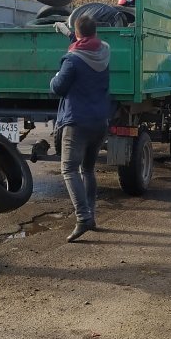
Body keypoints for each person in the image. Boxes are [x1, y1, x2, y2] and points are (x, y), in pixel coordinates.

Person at [51, 16, 111, 242]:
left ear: (77, 34)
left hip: (77, 123)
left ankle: (83, 217)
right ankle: (91, 216)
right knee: (87, 169)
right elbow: (88, 43)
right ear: (95, 32)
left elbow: (58, 87)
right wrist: (70, 33)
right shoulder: (105, 50)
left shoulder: (72, 60)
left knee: (69, 170)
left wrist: (55, 77)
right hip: (100, 121)